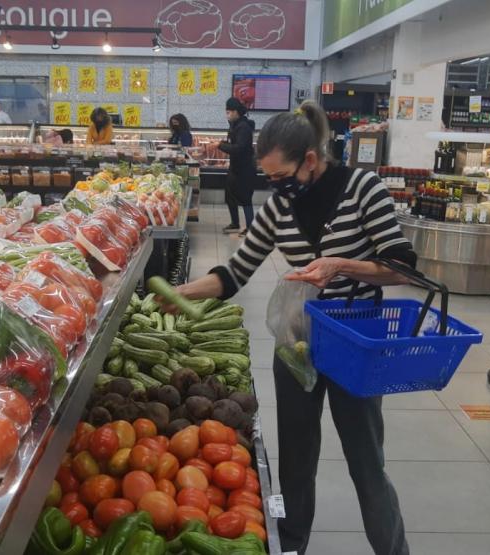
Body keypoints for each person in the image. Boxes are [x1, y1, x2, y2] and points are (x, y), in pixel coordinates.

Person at [176, 100, 414, 555]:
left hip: (355, 340)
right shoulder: (278, 207)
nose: (277, 188)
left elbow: (402, 267)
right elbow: (235, 273)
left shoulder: (363, 188)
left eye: (282, 178)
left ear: (310, 160)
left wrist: (340, 265)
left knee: (367, 463)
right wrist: (178, 293)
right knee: (295, 464)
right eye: (269, 180)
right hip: (297, 342)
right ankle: (292, 547)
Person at [218, 97, 256, 235]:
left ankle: (250, 228)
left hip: (245, 169)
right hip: (235, 168)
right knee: (230, 196)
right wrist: (220, 143)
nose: (227, 114)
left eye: (229, 112)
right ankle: (235, 223)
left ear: (236, 112)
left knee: (245, 198)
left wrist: (220, 145)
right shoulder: (234, 125)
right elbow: (232, 143)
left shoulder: (244, 127)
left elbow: (239, 148)